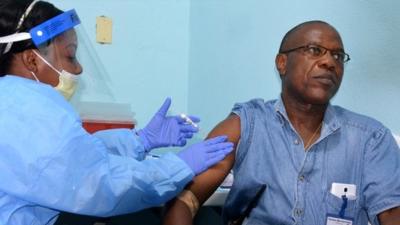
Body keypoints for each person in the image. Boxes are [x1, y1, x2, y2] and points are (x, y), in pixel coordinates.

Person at [0, 0, 234, 224]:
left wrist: (139, 140)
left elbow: (77, 155)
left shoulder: (13, 106)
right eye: (70, 56)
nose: (79, 68)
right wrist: (179, 166)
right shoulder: (31, 113)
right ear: (32, 60)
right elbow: (98, 185)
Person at [163, 20, 400, 225]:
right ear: (282, 63)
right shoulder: (246, 124)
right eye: (315, 50)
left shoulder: (371, 138)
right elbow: (186, 201)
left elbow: (391, 214)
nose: (329, 62)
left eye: (337, 56)